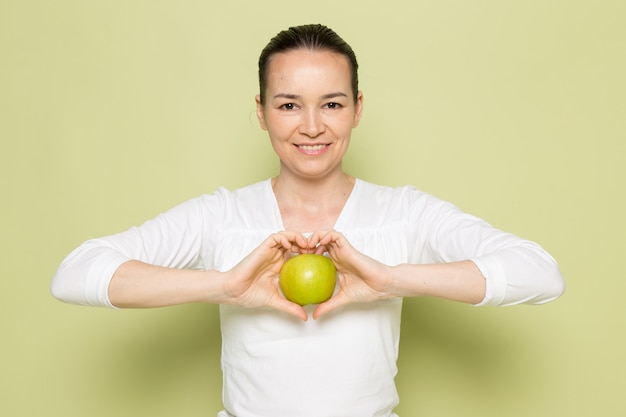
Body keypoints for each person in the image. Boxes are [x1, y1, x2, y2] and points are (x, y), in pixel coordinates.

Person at [51, 24, 565, 417]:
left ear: (357, 109)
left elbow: (540, 273)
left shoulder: (405, 212)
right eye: (290, 104)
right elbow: (75, 274)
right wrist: (227, 286)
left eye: (333, 103)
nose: (312, 126)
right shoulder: (222, 215)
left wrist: (388, 279)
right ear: (261, 111)